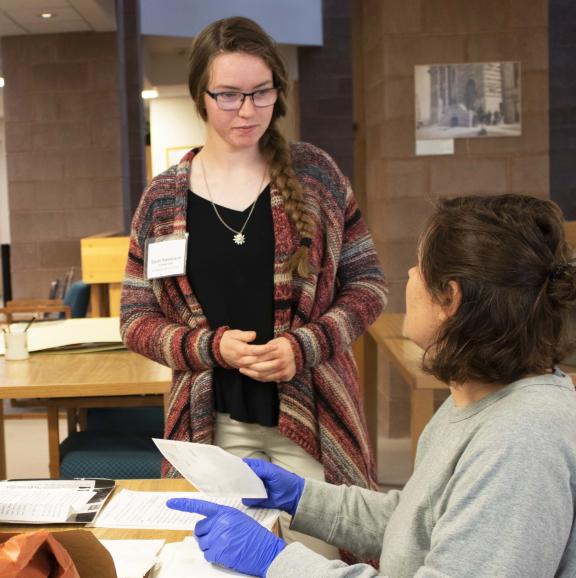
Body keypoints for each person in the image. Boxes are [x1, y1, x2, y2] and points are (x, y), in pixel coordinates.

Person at [167, 194, 576, 577]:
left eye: (419, 265)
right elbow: (418, 525)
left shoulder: (522, 442)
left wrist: (276, 561)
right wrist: (302, 498)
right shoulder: (482, 399)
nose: (412, 274)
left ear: (450, 299)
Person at [119, 16, 387, 559]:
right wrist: (209, 346)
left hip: (312, 415)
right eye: (229, 95)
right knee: (215, 561)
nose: (247, 111)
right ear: (201, 95)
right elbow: (134, 317)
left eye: (261, 93)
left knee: (317, 562)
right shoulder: (163, 199)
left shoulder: (316, 177)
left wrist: (302, 346)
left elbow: (369, 286)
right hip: (209, 427)